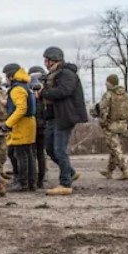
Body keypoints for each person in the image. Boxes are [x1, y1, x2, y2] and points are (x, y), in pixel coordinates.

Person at [39, 47, 88, 196]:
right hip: (53, 117)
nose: (45, 63)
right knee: (50, 149)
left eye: (46, 60)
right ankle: (71, 172)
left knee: (60, 150)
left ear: (54, 59)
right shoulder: (52, 75)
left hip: (65, 116)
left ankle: (65, 183)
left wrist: (43, 92)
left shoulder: (67, 74)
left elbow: (64, 91)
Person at [0, 63, 37, 192]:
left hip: (22, 125)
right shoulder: (25, 86)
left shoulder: (17, 89)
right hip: (29, 123)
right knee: (28, 154)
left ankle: (22, 183)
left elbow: (21, 108)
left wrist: (7, 124)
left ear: (10, 76)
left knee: (20, 154)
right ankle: (31, 183)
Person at [98, 74, 128, 180]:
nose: (105, 83)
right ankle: (109, 171)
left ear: (110, 83)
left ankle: (125, 170)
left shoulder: (108, 95)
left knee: (115, 148)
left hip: (111, 125)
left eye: (107, 82)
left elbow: (103, 110)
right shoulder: (127, 95)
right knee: (114, 147)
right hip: (122, 125)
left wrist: (103, 123)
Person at [28, 66, 48, 189]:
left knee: (34, 153)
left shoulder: (31, 93)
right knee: (40, 154)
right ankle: (40, 179)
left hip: (34, 126)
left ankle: (35, 179)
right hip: (43, 126)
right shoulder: (46, 92)